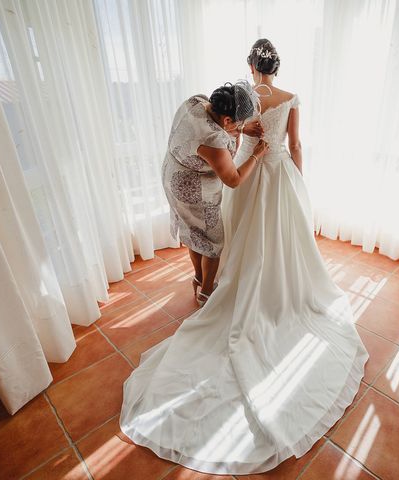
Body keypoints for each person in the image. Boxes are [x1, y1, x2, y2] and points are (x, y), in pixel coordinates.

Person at [120, 40, 368, 475]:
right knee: (273, 238)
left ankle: (209, 285)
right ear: (276, 67)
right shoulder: (290, 99)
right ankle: (238, 284)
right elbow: (295, 145)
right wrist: (298, 181)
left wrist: (244, 139)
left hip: (242, 174)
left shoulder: (232, 103)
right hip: (269, 175)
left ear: (250, 66)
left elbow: (232, 158)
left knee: (226, 235)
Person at [161, 82, 268, 306]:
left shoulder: (197, 101)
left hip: (172, 176)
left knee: (193, 233)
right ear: (227, 120)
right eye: (239, 123)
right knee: (213, 242)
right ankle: (207, 292)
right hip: (194, 190)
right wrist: (256, 155)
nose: (240, 127)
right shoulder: (214, 140)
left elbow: (214, 126)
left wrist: (239, 129)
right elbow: (233, 179)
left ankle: (198, 277)